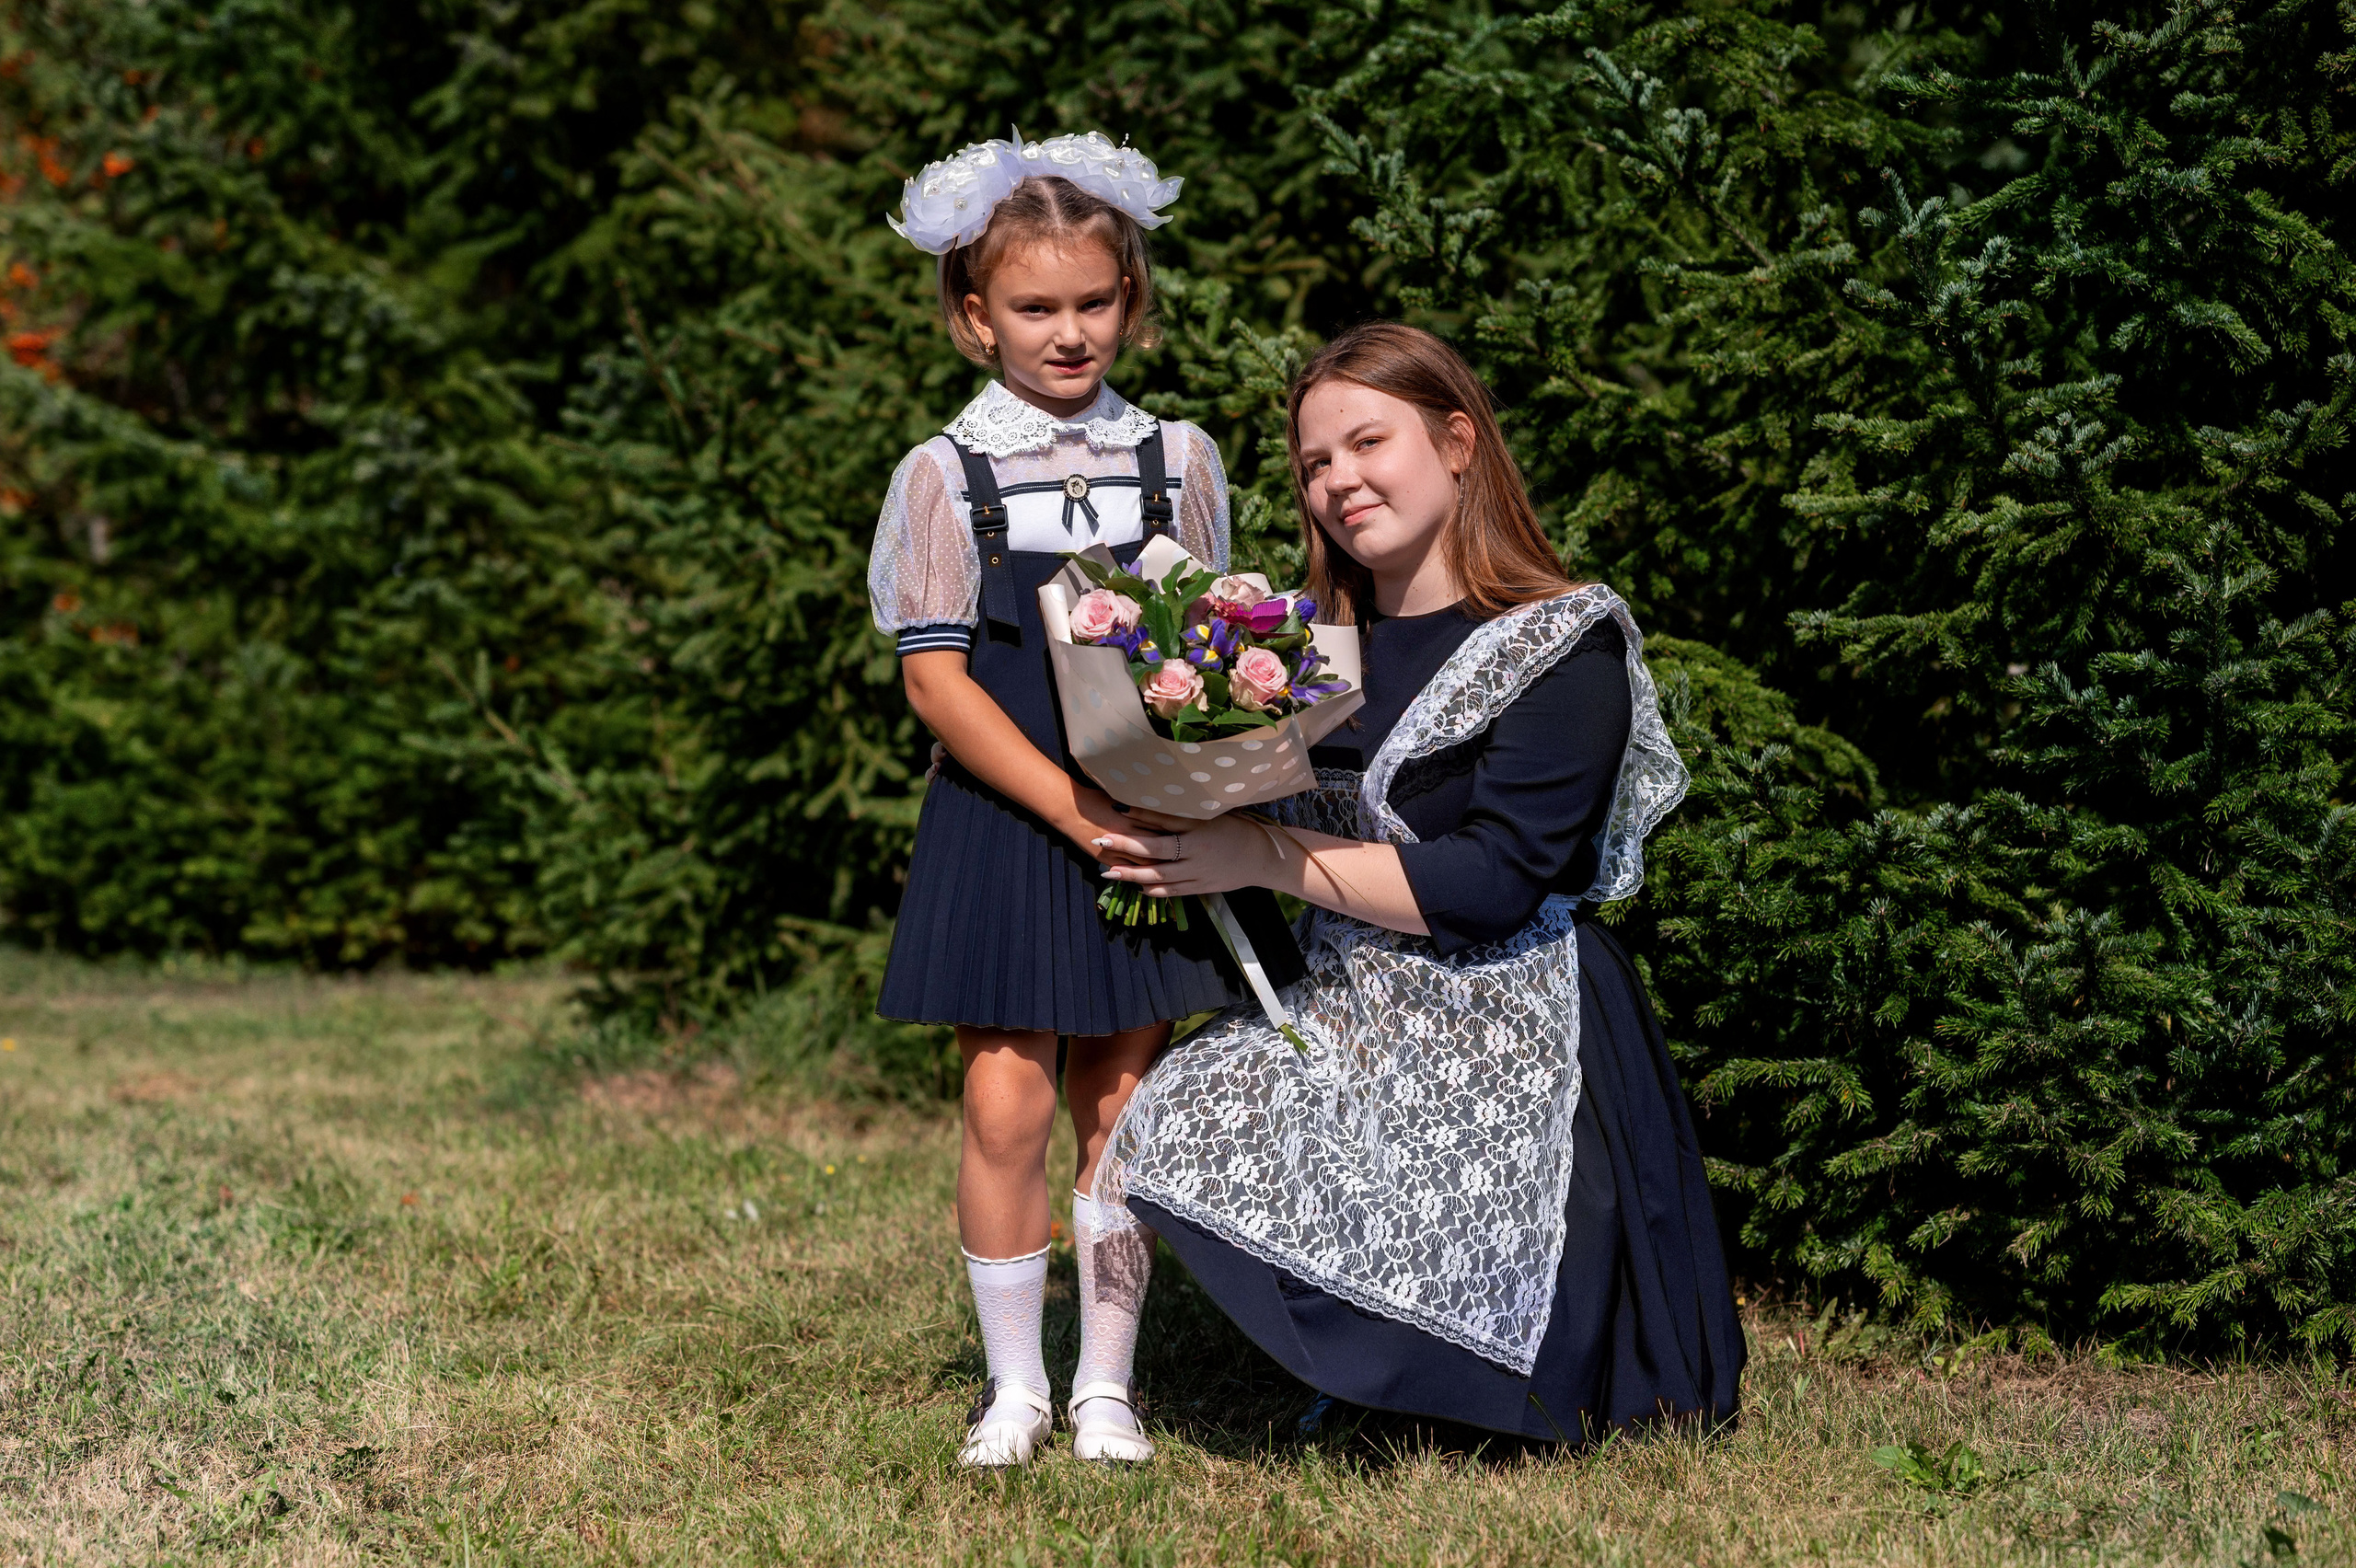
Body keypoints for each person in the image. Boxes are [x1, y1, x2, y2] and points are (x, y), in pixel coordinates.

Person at [1091, 321, 1746, 1443]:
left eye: (1365, 442)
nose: (1338, 480)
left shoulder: (1558, 641)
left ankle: (1444, 1380)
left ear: (1456, 442)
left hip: (1511, 1007)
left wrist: (1263, 854)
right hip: (1344, 999)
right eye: (1313, 463)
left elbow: (1494, 881)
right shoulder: (1293, 650)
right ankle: (1178, 1383)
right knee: (1171, 1114)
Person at [869, 131, 1295, 1468]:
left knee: (1125, 1103)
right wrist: (1068, 808)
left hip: (1148, 825)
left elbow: (1207, 641)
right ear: (973, 315)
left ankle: (1107, 1384)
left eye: (1094, 303)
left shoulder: (1178, 458)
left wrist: (1200, 787)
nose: (1069, 333)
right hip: (1009, 820)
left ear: (1133, 302)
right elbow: (939, 686)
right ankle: (1015, 1387)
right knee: (1005, 1100)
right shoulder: (947, 472)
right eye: (1036, 308)